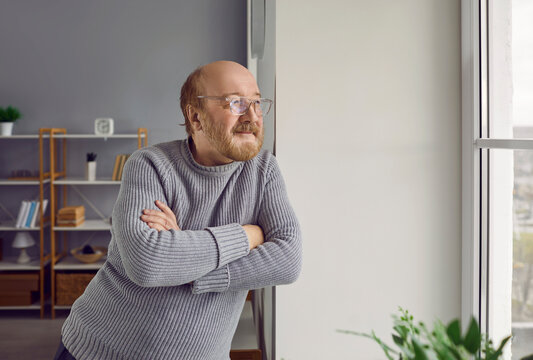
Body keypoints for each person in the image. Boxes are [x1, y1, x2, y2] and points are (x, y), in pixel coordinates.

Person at [54, 60, 302, 360]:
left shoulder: (264, 171)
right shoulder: (149, 164)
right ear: (195, 117)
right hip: (100, 351)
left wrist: (186, 261)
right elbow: (147, 262)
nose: (252, 115)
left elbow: (287, 260)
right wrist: (247, 235)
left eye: (257, 102)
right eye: (235, 103)